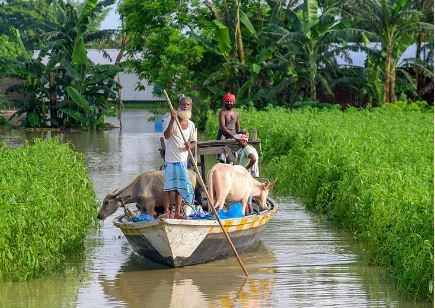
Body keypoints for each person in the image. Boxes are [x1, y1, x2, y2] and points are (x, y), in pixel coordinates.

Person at [162, 96, 197, 219]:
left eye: (188, 105)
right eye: (183, 104)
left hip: (182, 160)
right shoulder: (169, 119)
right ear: (179, 105)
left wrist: (190, 145)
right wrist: (172, 119)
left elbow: (193, 141)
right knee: (168, 187)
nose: (185, 106)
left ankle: (177, 213)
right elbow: (166, 135)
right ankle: (167, 212)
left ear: (190, 107)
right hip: (171, 159)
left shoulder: (191, 124)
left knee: (180, 187)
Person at [234, 131, 259, 215]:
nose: (236, 142)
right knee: (248, 200)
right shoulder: (245, 149)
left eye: (238, 141)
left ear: (244, 140)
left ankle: (247, 216)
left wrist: (246, 168)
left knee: (246, 200)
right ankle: (249, 215)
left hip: (245, 178)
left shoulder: (247, 149)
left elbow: (253, 159)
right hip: (245, 177)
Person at [217, 92, 241, 163]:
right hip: (223, 136)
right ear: (225, 102)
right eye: (227, 101)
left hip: (233, 138)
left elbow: (238, 128)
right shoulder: (222, 112)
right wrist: (232, 135)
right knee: (223, 159)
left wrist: (240, 135)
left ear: (233, 102)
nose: (229, 103)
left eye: (231, 101)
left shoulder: (236, 113)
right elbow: (222, 127)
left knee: (232, 159)